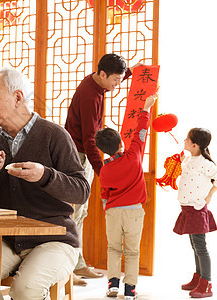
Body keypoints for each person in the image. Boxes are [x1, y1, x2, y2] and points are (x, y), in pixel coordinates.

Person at [0, 67, 90, 300]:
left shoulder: (54, 135)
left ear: (17, 98)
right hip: (9, 239)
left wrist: (45, 175)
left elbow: (81, 191)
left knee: (25, 290)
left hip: (56, 239)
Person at [64, 53, 140, 285]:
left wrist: (130, 72)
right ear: (103, 74)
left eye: (120, 79)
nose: (118, 85)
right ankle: (68, 271)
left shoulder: (97, 83)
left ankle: (78, 264)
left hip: (83, 152)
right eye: (116, 80)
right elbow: (89, 140)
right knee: (73, 213)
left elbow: (111, 81)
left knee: (81, 213)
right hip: (79, 155)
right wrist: (103, 172)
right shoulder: (90, 97)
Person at [95, 92, 157, 299]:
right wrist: (146, 108)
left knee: (113, 248)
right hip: (134, 213)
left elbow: (105, 194)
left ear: (103, 150)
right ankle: (130, 290)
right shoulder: (134, 155)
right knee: (132, 251)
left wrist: (108, 208)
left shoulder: (104, 170)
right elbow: (141, 131)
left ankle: (113, 285)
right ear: (121, 142)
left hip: (112, 212)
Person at [173, 128, 217, 298]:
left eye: (187, 139)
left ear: (194, 145)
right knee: (195, 245)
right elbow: (187, 168)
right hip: (187, 209)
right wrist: (182, 159)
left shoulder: (206, 164)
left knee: (200, 247)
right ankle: (199, 278)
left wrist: (209, 195)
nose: (183, 140)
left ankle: (206, 283)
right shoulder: (190, 160)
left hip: (197, 209)